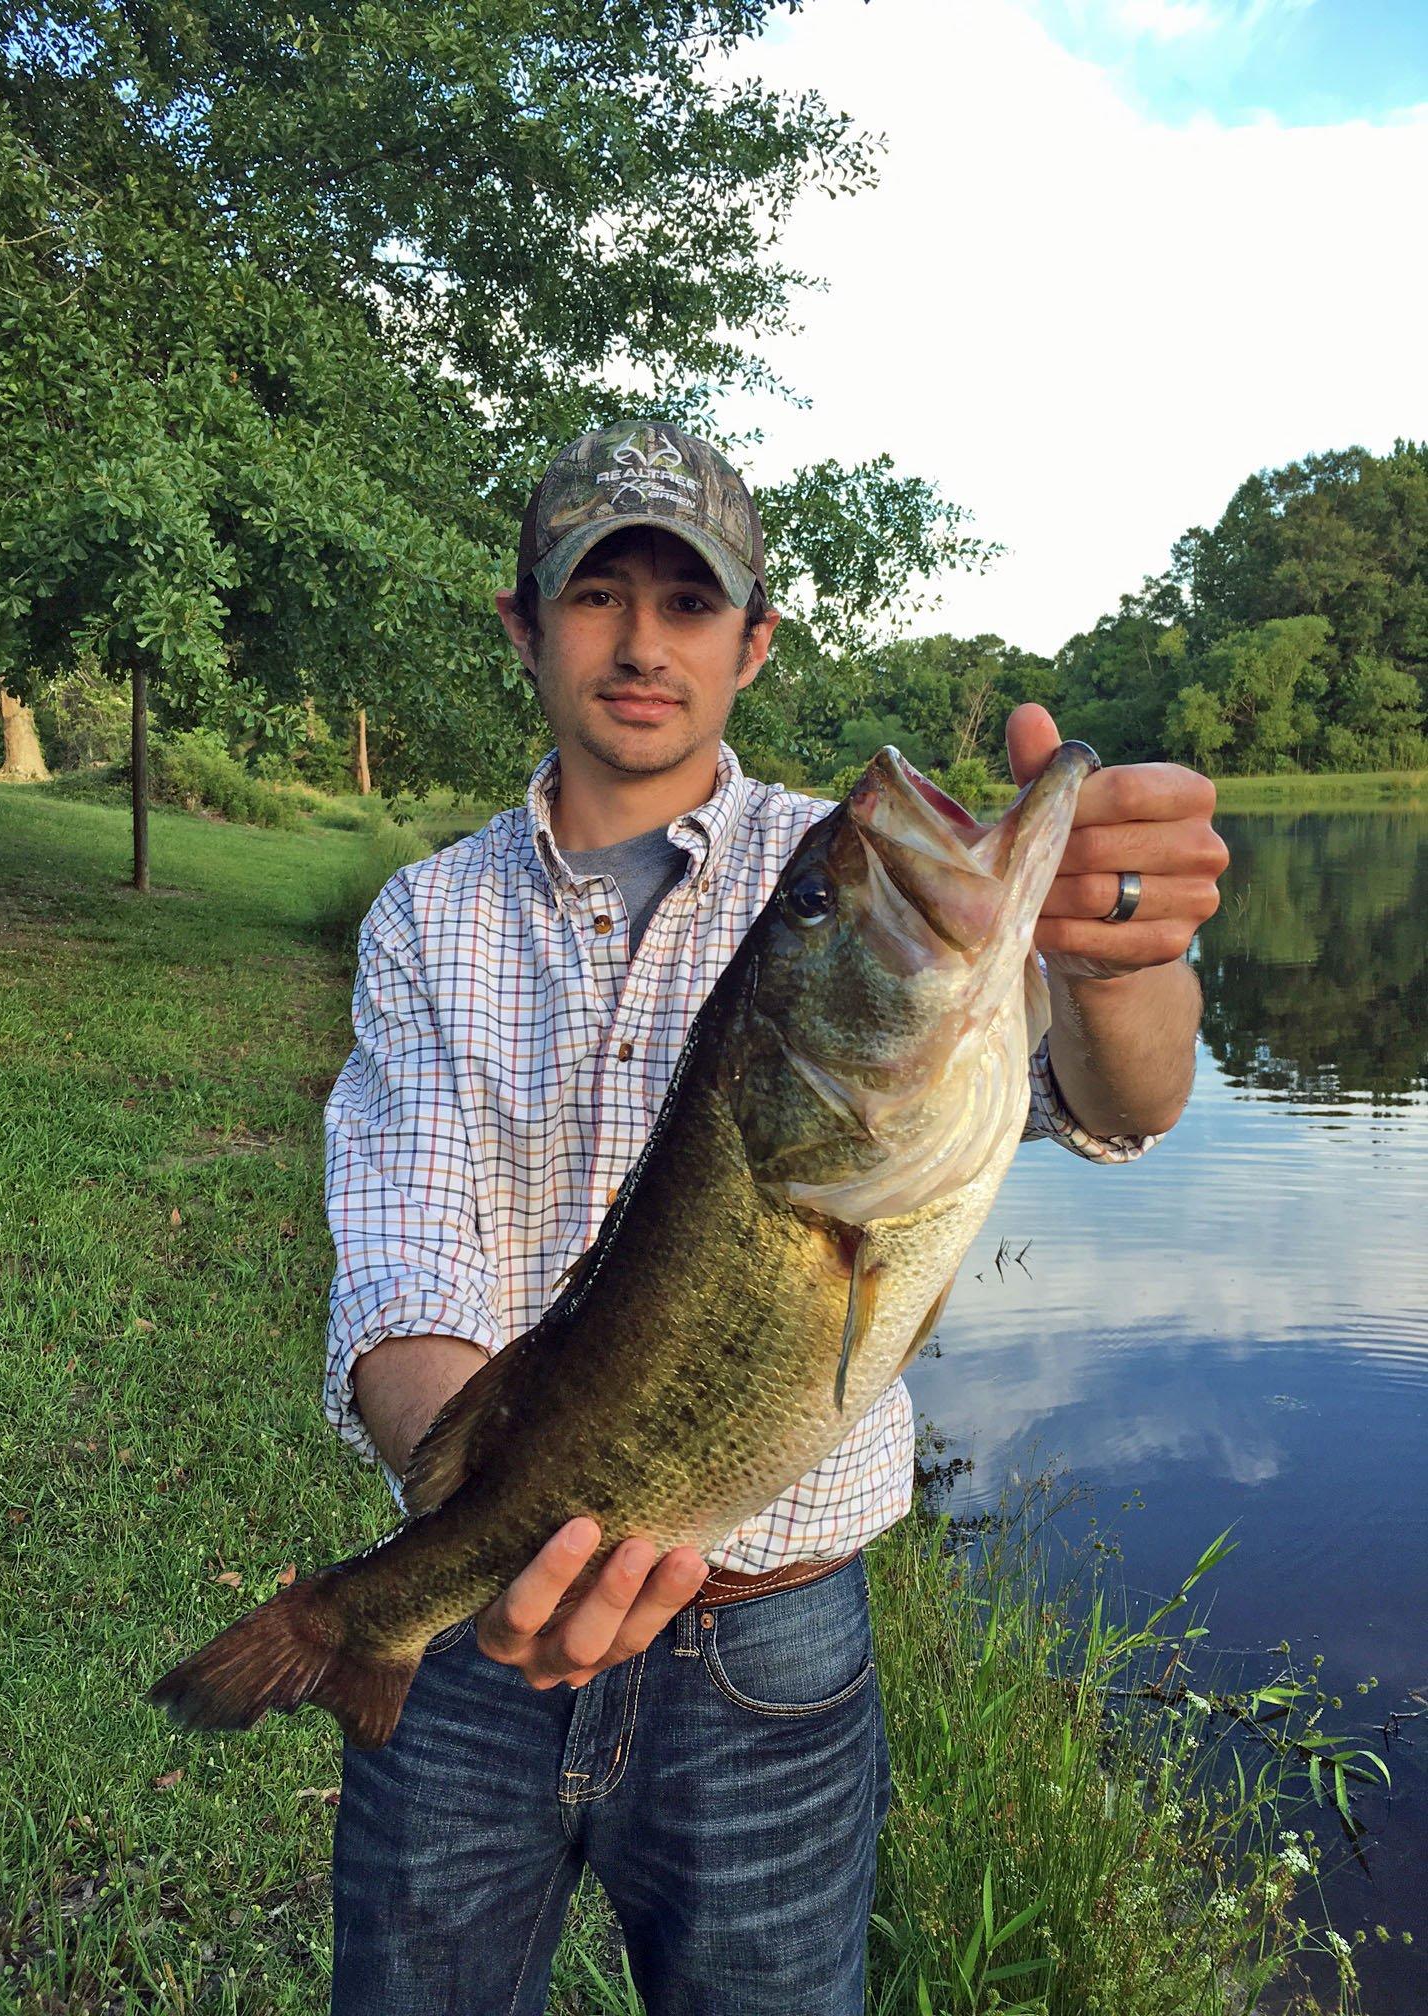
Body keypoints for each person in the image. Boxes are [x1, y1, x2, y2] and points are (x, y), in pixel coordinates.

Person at [321, 420, 1227, 2015]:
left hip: (775, 1660)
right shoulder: (426, 917)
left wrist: (1118, 957)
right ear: (526, 628)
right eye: (600, 595)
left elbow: (1121, 1100)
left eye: (691, 601)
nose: (644, 641)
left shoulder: (842, 875)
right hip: (471, 1632)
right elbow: (405, 1264)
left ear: (755, 641)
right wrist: (488, 1535)